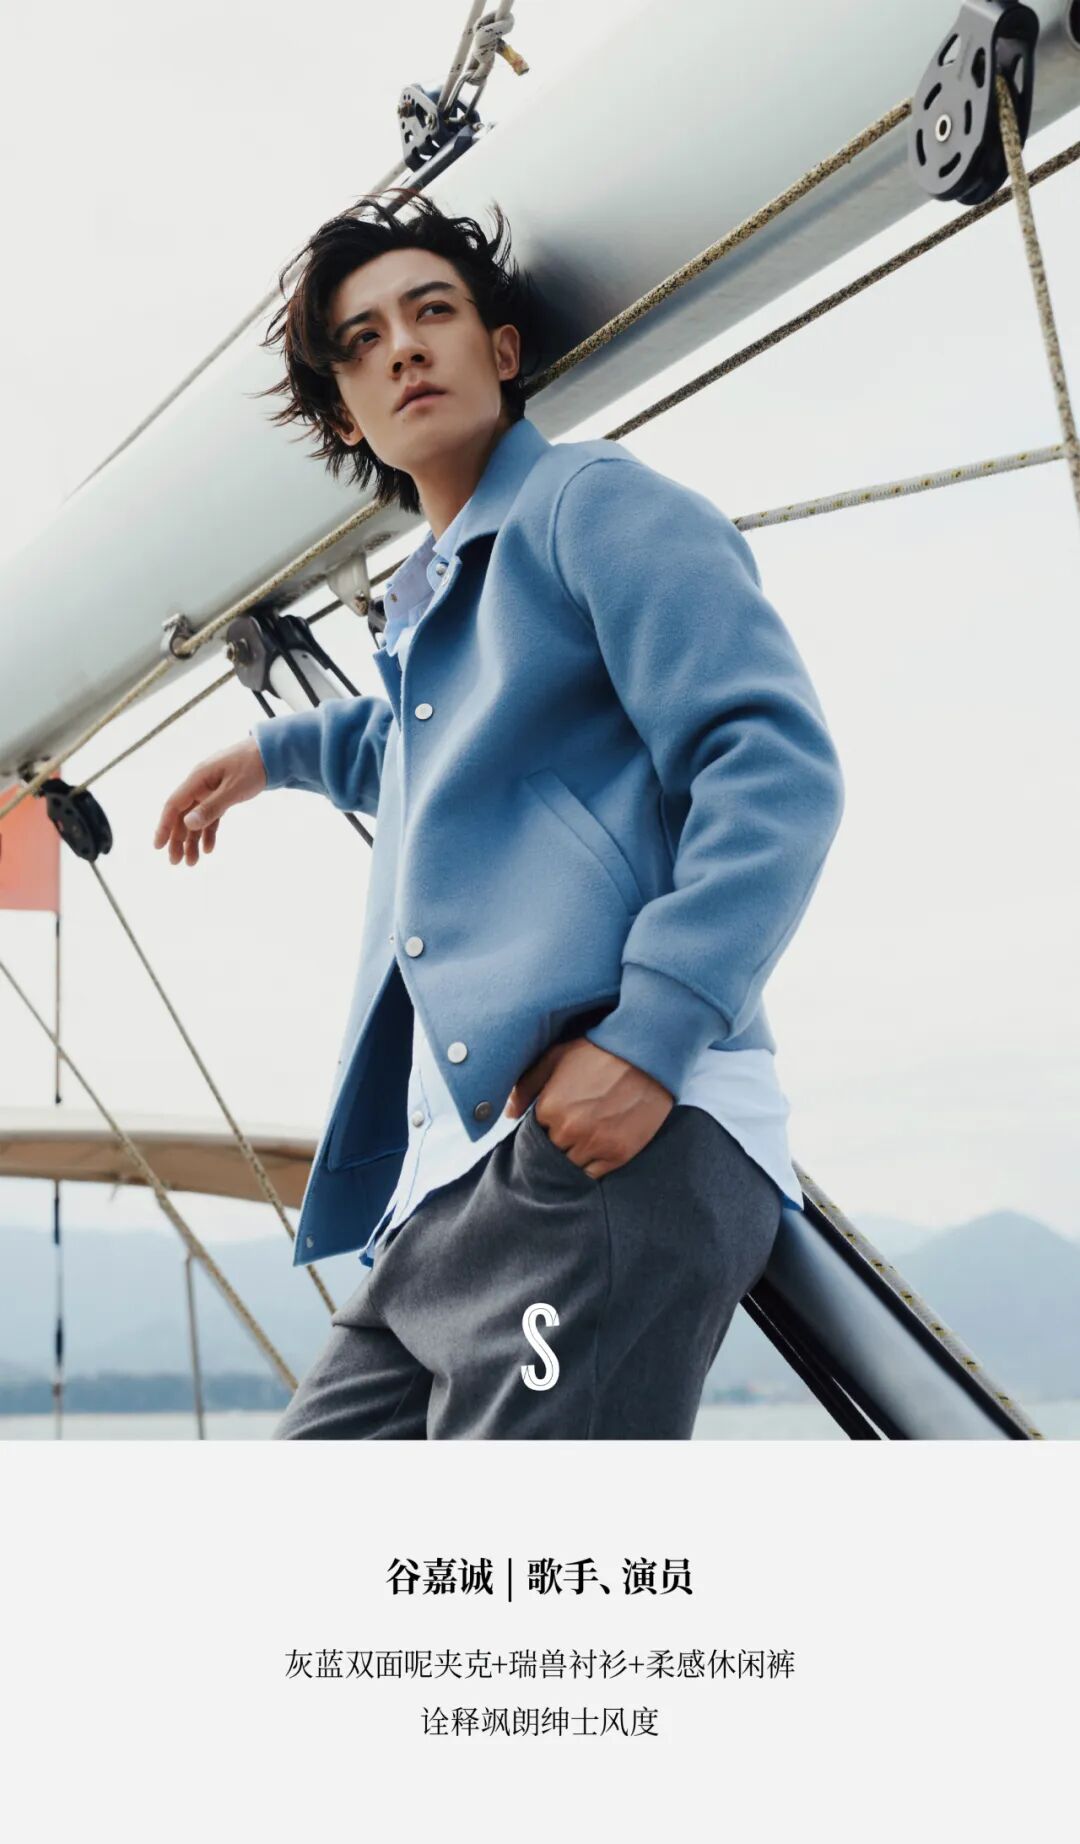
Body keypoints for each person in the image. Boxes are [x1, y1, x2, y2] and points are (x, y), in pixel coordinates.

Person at [152, 192, 845, 1439]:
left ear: (503, 348)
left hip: (606, 1145)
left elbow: (773, 765)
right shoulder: (431, 605)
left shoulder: (590, 505)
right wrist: (274, 753)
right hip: (439, 1199)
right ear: (344, 412)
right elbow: (423, 748)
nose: (403, 349)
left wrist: (650, 1034)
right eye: (362, 341)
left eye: (432, 312)